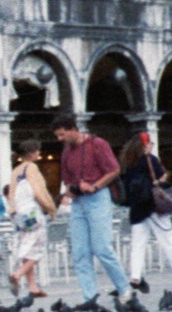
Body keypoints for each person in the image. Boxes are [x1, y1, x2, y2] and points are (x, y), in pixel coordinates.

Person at [53, 113, 131, 302]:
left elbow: (114, 170)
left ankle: (124, 288)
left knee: (102, 247)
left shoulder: (98, 144)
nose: (60, 139)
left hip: (98, 197)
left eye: (62, 134)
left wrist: (95, 185)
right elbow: (66, 177)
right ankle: (90, 297)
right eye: (58, 136)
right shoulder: (66, 151)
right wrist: (69, 189)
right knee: (80, 252)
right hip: (78, 202)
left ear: (73, 129)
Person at [120, 133, 172, 293]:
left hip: (137, 209)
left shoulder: (129, 161)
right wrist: (158, 180)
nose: (152, 145)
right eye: (150, 143)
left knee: (138, 244)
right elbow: (161, 177)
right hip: (154, 206)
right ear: (144, 145)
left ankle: (135, 277)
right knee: (168, 240)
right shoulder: (150, 159)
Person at [6, 140, 56, 297]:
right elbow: (38, 191)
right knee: (39, 246)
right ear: (32, 153)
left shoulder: (16, 170)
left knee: (27, 246)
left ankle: (32, 286)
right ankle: (18, 274)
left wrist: (13, 211)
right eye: (37, 151)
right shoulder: (32, 167)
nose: (39, 154)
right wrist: (50, 207)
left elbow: (11, 194)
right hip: (32, 212)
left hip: (19, 214)